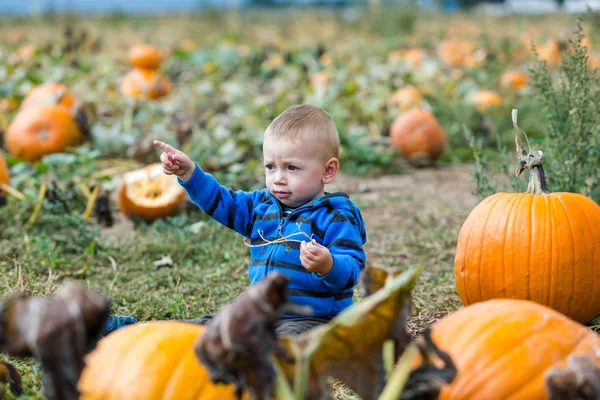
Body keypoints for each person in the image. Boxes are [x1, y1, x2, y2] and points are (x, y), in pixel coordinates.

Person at [108, 104, 368, 336]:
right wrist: (190, 174)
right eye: (270, 167)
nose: (278, 178)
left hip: (315, 320)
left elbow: (351, 270)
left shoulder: (336, 215)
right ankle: (134, 334)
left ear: (328, 170)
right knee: (210, 327)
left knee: (277, 346)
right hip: (261, 312)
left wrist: (328, 264)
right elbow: (223, 202)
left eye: (292, 168)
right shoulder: (262, 206)